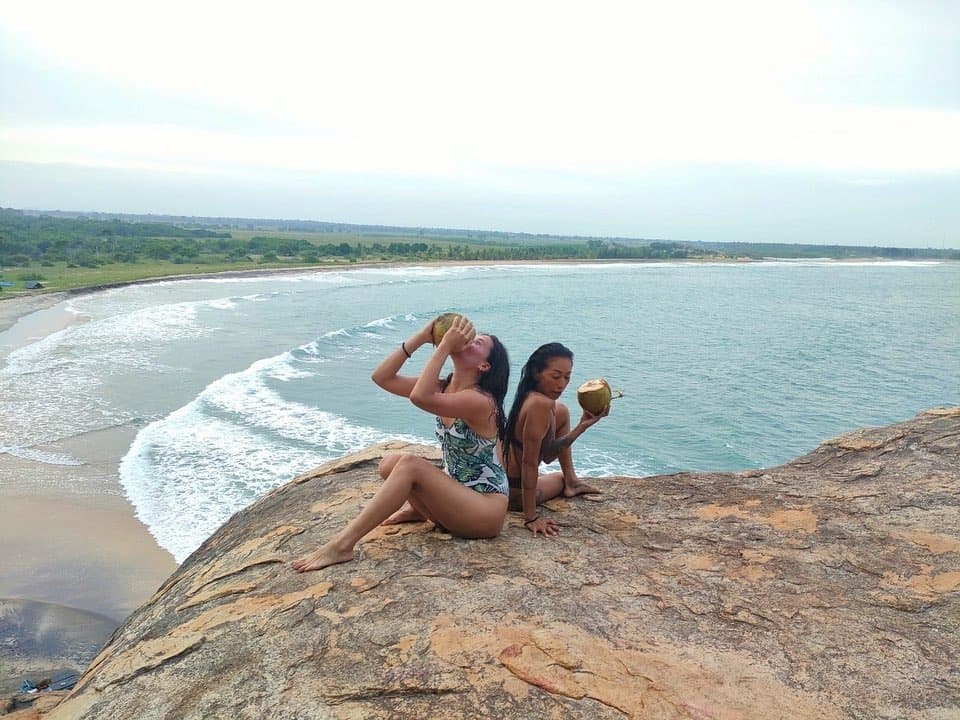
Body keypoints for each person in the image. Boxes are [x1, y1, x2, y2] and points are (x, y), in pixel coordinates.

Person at [292, 314, 511, 572]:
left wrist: (444, 346)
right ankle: (419, 511)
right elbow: (382, 377)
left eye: (478, 343)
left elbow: (419, 396)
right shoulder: (445, 387)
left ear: (484, 366)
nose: (469, 339)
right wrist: (422, 336)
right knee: (390, 464)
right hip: (457, 494)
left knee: (409, 465)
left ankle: (342, 545)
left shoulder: (480, 401)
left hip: (484, 510)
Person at [501, 342, 608, 537]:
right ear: (536, 373)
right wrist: (531, 517)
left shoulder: (532, 397)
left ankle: (572, 481)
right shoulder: (539, 405)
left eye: (567, 377)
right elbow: (530, 462)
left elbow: (548, 455)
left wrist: (582, 425)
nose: (562, 384)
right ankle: (568, 482)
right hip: (513, 494)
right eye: (556, 376)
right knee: (558, 478)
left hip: (507, 483)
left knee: (563, 411)